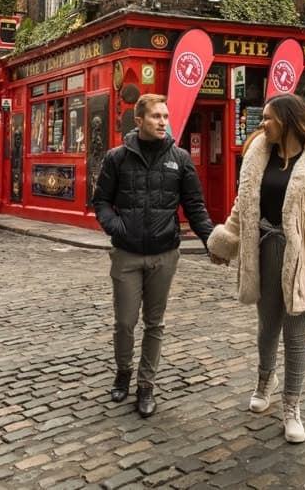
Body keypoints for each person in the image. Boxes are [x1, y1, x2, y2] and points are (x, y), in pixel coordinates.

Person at [207, 94, 305, 444]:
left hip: (302, 255)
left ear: (287, 120)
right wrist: (228, 241)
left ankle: (292, 406)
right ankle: (264, 380)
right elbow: (244, 206)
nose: (261, 125)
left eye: (268, 119)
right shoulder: (259, 155)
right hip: (263, 250)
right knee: (266, 326)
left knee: (296, 334)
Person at [92, 93, 214, 418]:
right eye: (156, 116)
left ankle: (146, 385)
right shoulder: (117, 158)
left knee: (154, 323)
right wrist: (116, 227)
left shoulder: (181, 158)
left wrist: (211, 240)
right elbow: (101, 200)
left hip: (164, 253)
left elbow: (195, 206)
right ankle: (122, 372)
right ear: (139, 121)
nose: (163, 122)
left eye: (165, 116)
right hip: (127, 254)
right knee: (124, 322)